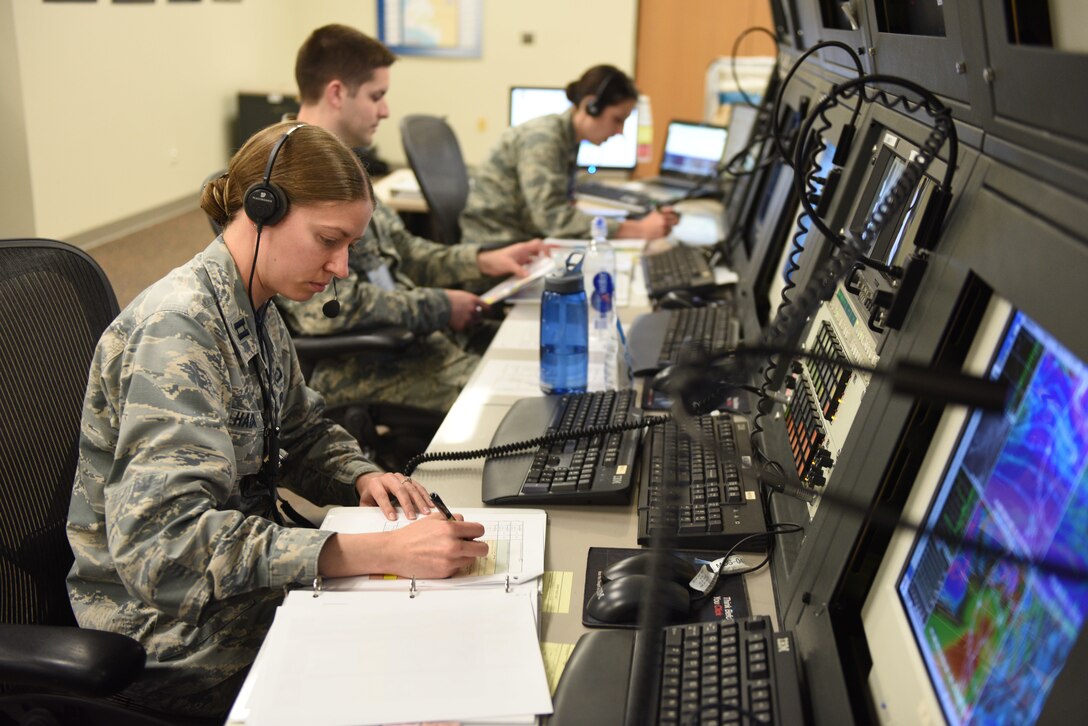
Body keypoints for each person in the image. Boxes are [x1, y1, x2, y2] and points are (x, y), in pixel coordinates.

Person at [66, 122, 489, 720]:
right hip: (175, 636)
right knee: (422, 680)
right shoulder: (177, 331)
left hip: (237, 590)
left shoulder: (253, 304)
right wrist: (372, 553)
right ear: (262, 210)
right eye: (327, 240)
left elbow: (303, 428)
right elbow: (164, 548)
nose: (341, 266)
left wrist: (362, 477)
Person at [278, 24, 547, 413]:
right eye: (377, 96)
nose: (386, 110)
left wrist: (482, 260)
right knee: (517, 403)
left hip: (411, 337)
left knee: (534, 351)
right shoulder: (293, 174)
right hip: (365, 362)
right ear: (337, 93)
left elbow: (406, 251)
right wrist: (440, 306)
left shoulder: (340, 163)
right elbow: (327, 311)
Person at [460, 64, 680, 247]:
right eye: (617, 119)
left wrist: (639, 219)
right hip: (495, 252)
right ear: (590, 106)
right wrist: (639, 229)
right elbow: (552, 219)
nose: (620, 131)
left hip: (518, 243)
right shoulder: (544, 138)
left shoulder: (566, 139)